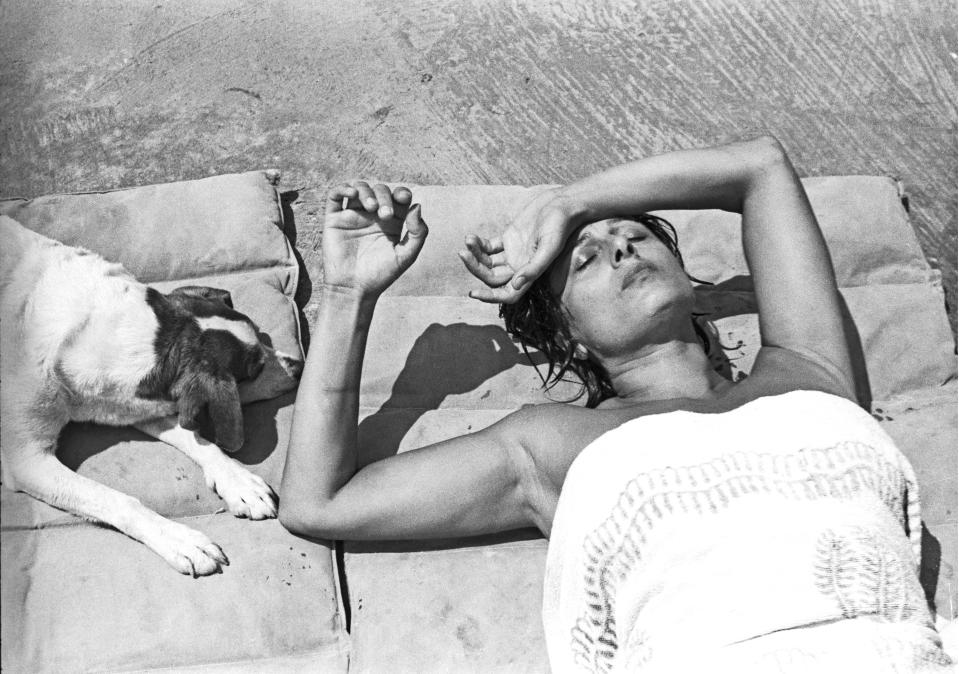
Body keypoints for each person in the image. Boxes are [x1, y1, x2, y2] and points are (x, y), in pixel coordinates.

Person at [279, 137, 952, 671]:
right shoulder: (553, 445)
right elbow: (320, 501)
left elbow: (760, 167)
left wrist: (568, 206)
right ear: (568, 331)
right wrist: (348, 296)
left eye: (634, 233)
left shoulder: (807, 370)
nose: (620, 246)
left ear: (688, 276)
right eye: (584, 260)